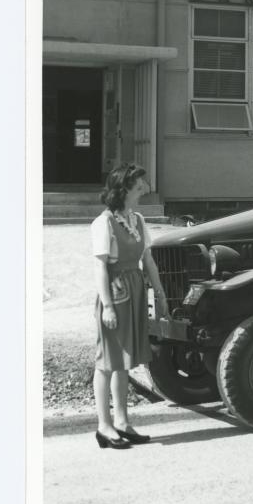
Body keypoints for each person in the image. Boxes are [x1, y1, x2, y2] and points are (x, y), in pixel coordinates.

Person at [91, 163, 169, 449]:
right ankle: (104, 426)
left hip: (135, 289)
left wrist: (159, 293)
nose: (144, 189)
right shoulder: (104, 223)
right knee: (107, 361)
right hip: (116, 292)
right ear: (123, 189)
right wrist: (108, 307)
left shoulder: (137, 219)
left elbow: (147, 260)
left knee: (123, 361)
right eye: (139, 185)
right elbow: (100, 268)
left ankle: (122, 421)